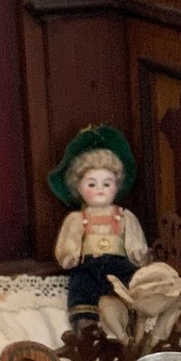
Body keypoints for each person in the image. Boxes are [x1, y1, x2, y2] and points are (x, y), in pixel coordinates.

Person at [48, 126, 150, 327]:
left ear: (117, 185)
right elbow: (69, 241)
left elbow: (135, 240)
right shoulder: (77, 219)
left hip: (119, 263)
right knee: (82, 283)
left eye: (107, 184)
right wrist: (70, 255)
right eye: (92, 184)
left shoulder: (124, 216)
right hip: (89, 263)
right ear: (78, 187)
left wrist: (137, 254)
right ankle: (85, 321)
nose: (100, 190)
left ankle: (129, 319)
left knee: (128, 284)